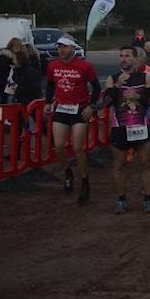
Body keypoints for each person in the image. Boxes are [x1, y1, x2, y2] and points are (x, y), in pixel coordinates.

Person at [100, 46, 150, 213]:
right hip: (120, 127)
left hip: (141, 126)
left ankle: (147, 198)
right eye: (121, 56)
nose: (123, 59)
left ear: (135, 59)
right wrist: (117, 86)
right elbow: (106, 102)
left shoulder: (146, 78)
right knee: (119, 164)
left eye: (127, 56)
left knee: (145, 163)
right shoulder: (113, 78)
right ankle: (121, 200)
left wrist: (138, 96)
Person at [45, 35, 100, 205]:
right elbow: (50, 85)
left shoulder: (85, 66)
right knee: (59, 146)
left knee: (77, 148)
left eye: (64, 46)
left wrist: (91, 106)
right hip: (61, 109)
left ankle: (84, 181)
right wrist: (48, 102)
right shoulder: (52, 65)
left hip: (79, 110)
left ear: (73, 48)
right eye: (59, 47)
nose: (61, 50)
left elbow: (97, 87)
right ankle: (67, 171)